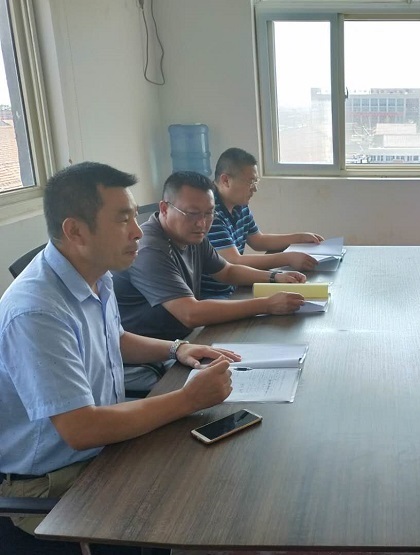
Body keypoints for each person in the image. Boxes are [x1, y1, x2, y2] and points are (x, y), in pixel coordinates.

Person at [0, 162, 237, 553]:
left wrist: (176, 348)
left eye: (135, 216)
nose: (138, 231)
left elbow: (115, 338)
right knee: (192, 502)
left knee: (208, 472)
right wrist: (188, 399)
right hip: (51, 485)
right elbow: (81, 429)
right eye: (123, 219)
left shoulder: (96, 273)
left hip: (98, 451)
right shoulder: (36, 311)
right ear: (76, 231)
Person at [113, 171, 307, 361]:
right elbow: (190, 313)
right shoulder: (149, 249)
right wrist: (267, 304)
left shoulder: (192, 236)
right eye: (192, 214)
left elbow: (227, 271)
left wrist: (274, 277)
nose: (202, 223)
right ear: (164, 208)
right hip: (153, 355)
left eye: (209, 213)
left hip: (183, 341)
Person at [202, 147, 324, 298]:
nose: (255, 189)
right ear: (226, 180)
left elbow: (258, 241)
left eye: (256, 181)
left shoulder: (239, 205)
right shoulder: (209, 213)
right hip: (214, 294)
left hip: (235, 287)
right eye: (250, 182)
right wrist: (288, 258)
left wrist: (299, 237)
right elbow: (234, 261)